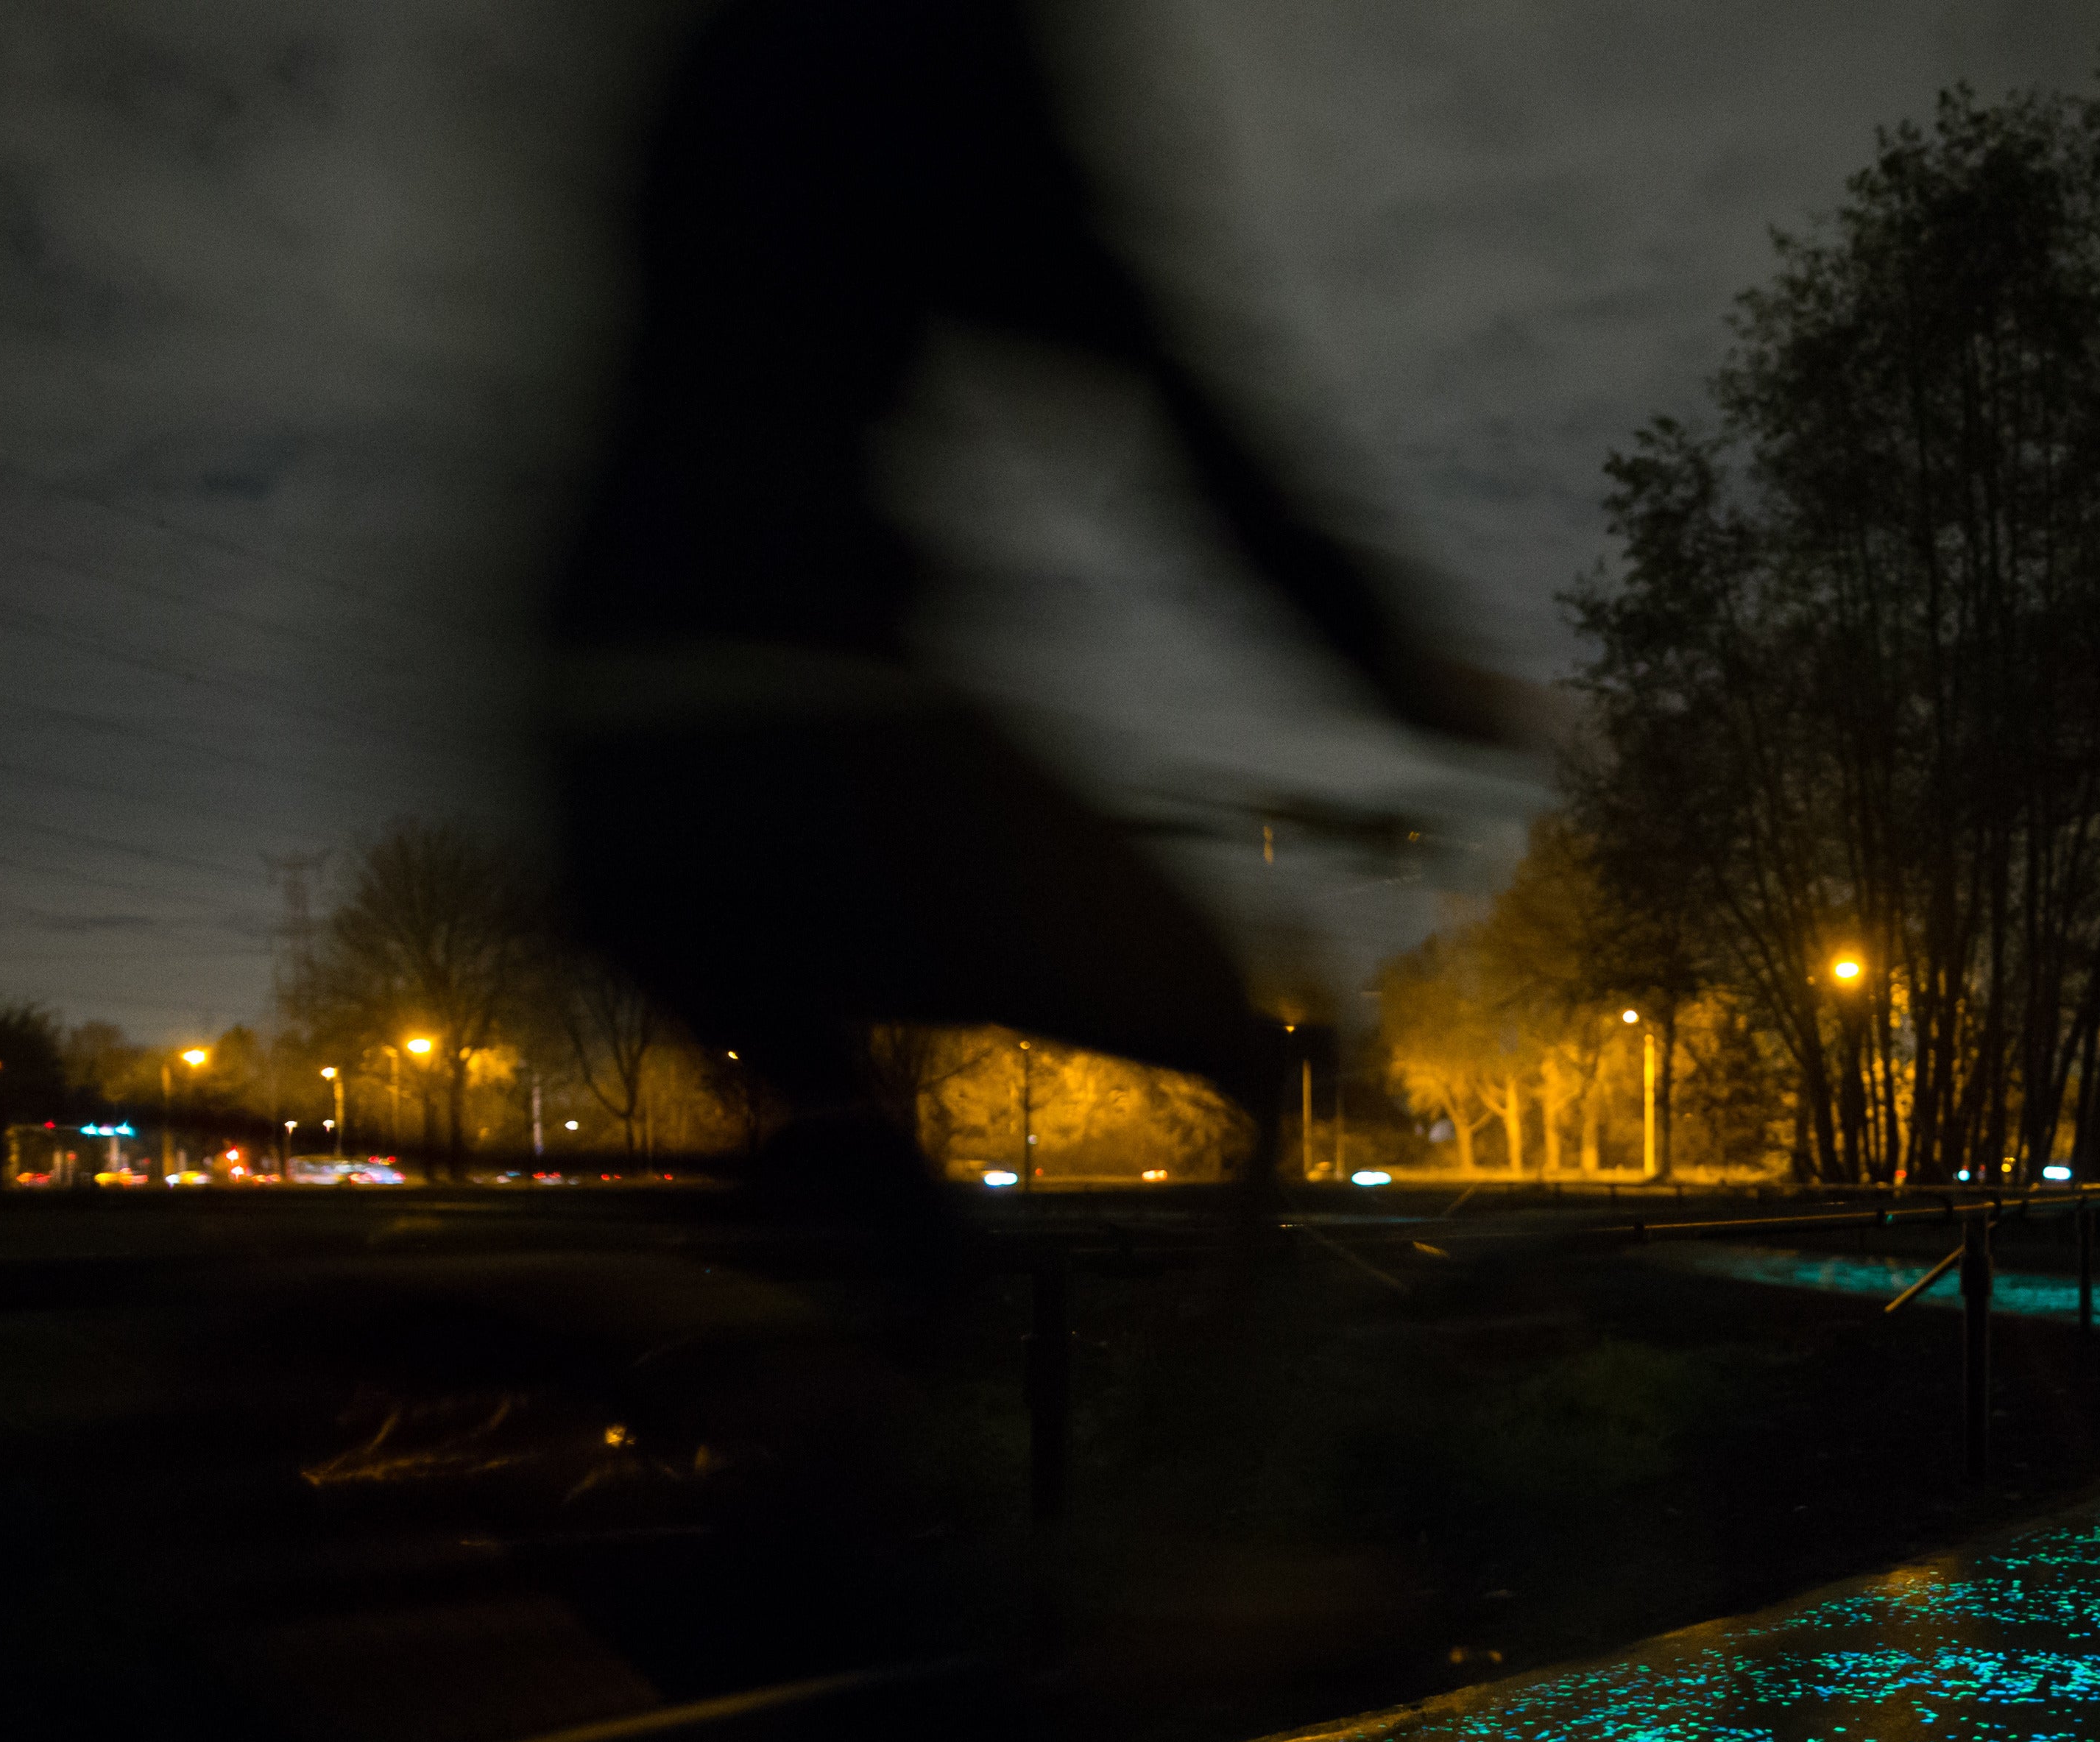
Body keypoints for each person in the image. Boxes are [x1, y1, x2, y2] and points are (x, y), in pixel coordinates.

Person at [545, 0, 1521, 1226]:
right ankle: (1192, 1412)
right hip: (801, 732)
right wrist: (1401, 666)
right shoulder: (952, 53)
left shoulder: (721, 46)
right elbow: (1169, 401)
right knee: (1232, 1023)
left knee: (853, 1179)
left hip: (588, 753)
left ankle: (813, 1330)